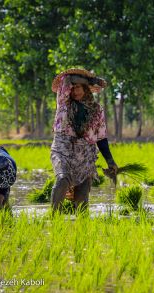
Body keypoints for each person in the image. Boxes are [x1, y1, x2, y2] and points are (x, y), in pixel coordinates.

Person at [50, 68, 118, 213]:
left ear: (86, 89)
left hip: (85, 156)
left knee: (81, 199)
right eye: (72, 88)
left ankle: (81, 227)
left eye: (78, 87)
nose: (74, 92)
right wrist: (89, 80)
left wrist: (110, 160)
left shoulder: (96, 110)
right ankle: (54, 221)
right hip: (63, 150)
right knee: (62, 180)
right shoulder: (64, 102)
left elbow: (101, 137)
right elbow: (66, 79)